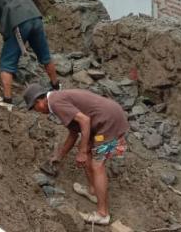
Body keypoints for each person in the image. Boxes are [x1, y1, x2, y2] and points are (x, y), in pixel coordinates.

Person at [24, 84, 129, 226]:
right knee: (86, 149)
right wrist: (59, 156)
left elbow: (85, 120)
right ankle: (92, 191)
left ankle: (102, 214)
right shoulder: (57, 99)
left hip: (109, 124)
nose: (37, 111)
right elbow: (73, 133)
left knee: (97, 164)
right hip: (104, 121)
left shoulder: (55, 103)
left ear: (39, 102)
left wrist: (82, 152)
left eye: (34, 108)